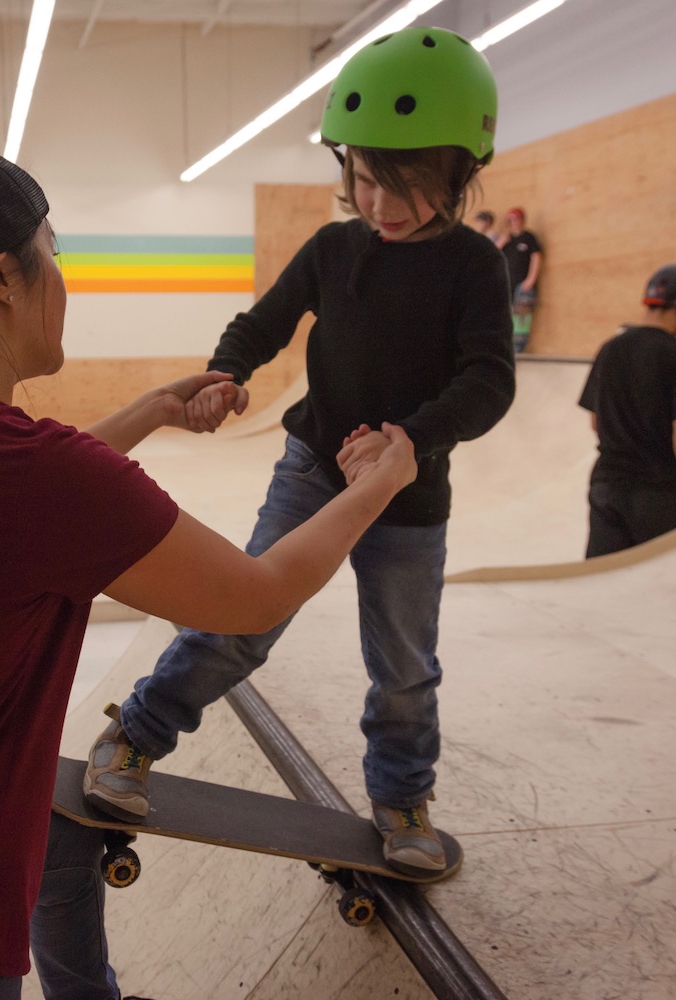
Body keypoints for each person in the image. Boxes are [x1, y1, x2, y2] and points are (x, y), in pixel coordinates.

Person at [0, 141, 417, 1000]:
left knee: (57, 843)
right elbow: (257, 596)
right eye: (52, 253)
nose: (63, 278)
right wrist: (381, 484)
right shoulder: (31, 473)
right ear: (3, 280)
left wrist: (149, 412)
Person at [84, 26, 515, 878]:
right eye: (364, 178)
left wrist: (411, 440)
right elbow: (262, 324)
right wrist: (228, 374)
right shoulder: (332, 248)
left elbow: (490, 380)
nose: (381, 205)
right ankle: (134, 736)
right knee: (240, 619)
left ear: (462, 175)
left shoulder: (475, 267)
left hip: (407, 497)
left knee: (402, 667)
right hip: (315, 470)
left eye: (410, 187)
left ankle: (401, 800)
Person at [578, 263, 676, 557]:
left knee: (603, 583)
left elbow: (595, 421)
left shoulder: (610, 348)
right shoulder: (672, 354)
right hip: (658, 492)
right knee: (653, 593)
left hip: (606, 485)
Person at [496, 207, 542, 352]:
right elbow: (492, 258)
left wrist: (531, 279)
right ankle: (505, 348)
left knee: (521, 319)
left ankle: (518, 349)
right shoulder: (506, 240)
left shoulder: (528, 237)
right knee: (503, 317)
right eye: (511, 220)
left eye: (517, 219)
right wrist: (501, 243)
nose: (514, 223)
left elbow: (536, 257)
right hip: (506, 285)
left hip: (523, 285)